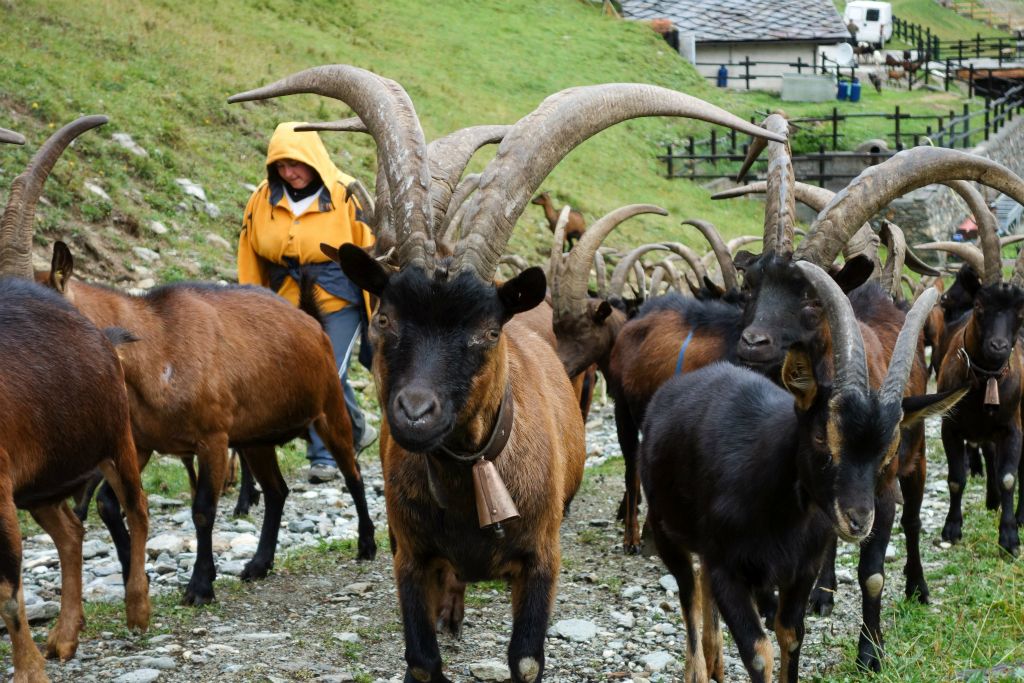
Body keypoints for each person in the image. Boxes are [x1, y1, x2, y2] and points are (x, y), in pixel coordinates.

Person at [238, 122, 378, 483]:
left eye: (296, 164)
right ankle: (358, 428)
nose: (290, 173)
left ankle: (325, 457)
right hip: (285, 305)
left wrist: (378, 304)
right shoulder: (262, 198)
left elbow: (370, 248)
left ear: (314, 159)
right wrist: (248, 308)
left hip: (337, 299)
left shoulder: (347, 194)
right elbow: (250, 253)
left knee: (329, 372)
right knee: (300, 375)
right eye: (281, 166)